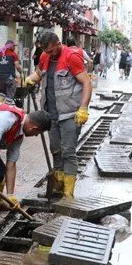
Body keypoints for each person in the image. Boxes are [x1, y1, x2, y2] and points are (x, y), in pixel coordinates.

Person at [24, 31, 93, 199]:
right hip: (50, 115)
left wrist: (83, 108)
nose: (48, 55)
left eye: (51, 51)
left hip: (70, 114)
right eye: (46, 52)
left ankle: (68, 194)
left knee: (68, 152)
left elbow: (86, 83)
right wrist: (31, 78)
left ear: (58, 43)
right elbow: (40, 73)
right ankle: (57, 188)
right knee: (55, 151)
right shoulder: (45, 57)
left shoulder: (71, 57)